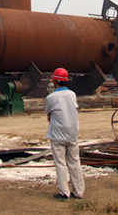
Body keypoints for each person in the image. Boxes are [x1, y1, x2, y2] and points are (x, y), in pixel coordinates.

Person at [45, 67, 85, 201]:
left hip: (58, 136)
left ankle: (64, 193)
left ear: (55, 81)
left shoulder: (51, 97)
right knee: (75, 162)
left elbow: (48, 113)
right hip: (72, 134)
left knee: (60, 163)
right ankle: (79, 191)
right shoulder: (72, 95)